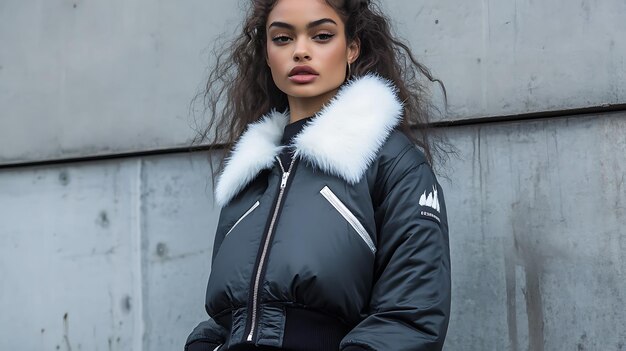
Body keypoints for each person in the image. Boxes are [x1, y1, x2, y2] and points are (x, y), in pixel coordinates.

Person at [186, 0, 451, 350]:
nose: (300, 51)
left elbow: (411, 314)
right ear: (266, 53)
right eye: (282, 39)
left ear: (352, 48)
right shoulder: (248, 174)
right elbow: (226, 318)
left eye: (322, 36)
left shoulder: (392, 163)